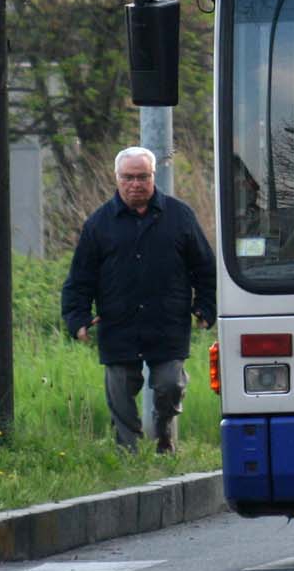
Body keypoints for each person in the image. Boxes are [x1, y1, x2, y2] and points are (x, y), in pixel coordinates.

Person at [61, 146, 217, 453]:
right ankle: (127, 451)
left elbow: (205, 268)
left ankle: (164, 434)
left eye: (142, 177)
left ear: (153, 177)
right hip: (119, 324)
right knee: (119, 391)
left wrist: (205, 308)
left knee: (170, 384)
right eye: (128, 177)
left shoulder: (180, 216)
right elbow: (80, 278)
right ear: (117, 178)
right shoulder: (99, 224)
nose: (136, 184)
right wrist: (77, 319)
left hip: (168, 322)